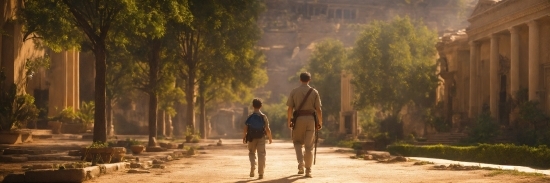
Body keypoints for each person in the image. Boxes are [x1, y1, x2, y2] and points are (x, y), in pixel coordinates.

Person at [286, 72, 322, 178]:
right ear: (309, 80)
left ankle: (301, 163)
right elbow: (318, 109)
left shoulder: (294, 91)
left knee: (297, 142)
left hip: (298, 120)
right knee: (309, 146)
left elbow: (290, 108)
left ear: (300, 79)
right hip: (311, 120)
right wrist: (320, 122)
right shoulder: (314, 92)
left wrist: (289, 121)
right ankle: (308, 170)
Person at [242, 98, 273, 179]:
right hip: (261, 137)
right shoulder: (263, 116)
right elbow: (267, 129)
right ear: (261, 106)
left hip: (251, 138)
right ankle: (261, 173)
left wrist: (244, 136)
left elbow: (245, 127)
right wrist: (270, 138)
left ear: (253, 106)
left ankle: (253, 166)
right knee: (261, 154)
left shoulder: (250, 116)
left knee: (252, 153)